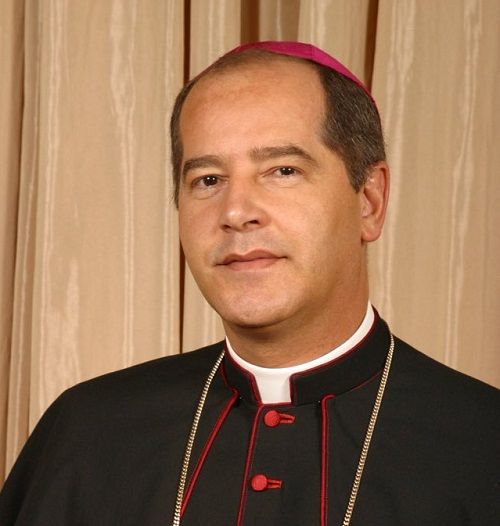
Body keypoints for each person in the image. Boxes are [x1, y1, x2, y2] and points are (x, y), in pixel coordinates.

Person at [0, 41, 498, 526]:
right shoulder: (87, 432)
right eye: (208, 180)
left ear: (369, 201)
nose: (236, 212)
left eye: (283, 170)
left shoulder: (483, 445)